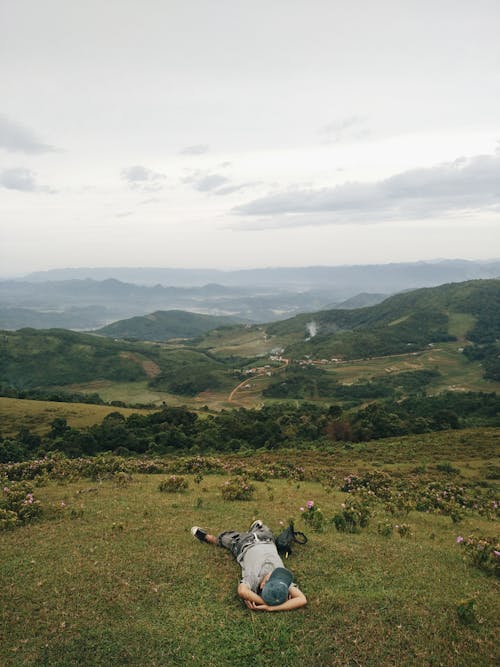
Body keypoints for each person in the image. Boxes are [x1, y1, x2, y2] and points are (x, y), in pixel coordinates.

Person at [191, 520, 307, 612]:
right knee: (264, 528)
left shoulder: (253, 579)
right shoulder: (282, 583)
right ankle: (256, 527)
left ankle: (206, 537)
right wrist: (272, 606)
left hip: (242, 544)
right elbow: (302, 599)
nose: (275, 574)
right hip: (266, 539)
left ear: (262, 585)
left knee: (224, 538)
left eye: (271, 579)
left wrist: (265, 604)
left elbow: (242, 591)